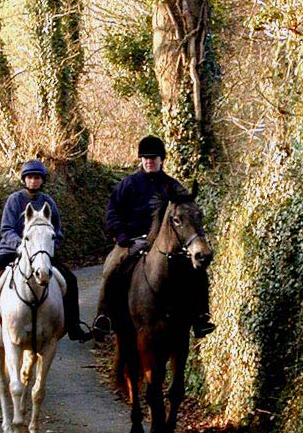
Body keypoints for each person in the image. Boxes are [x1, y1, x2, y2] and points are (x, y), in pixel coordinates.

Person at [92, 135, 215, 342]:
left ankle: (200, 316)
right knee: (112, 266)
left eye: (154, 157)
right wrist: (121, 235)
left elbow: (187, 212)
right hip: (132, 239)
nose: (149, 161)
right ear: (141, 160)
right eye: (146, 158)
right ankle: (104, 317)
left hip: (165, 243)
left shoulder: (173, 187)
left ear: (161, 160)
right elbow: (113, 212)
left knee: (198, 270)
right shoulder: (128, 184)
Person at [0, 160, 91, 344]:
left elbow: (57, 231)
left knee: (70, 280)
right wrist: (21, 245)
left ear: (42, 180)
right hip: (13, 251)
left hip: (41, 254)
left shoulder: (48, 203)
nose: (33, 181)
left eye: (37, 178)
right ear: (24, 179)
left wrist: (47, 246)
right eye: (30, 177)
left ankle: (74, 325)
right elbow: (6, 229)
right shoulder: (14, 200)